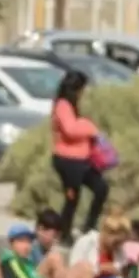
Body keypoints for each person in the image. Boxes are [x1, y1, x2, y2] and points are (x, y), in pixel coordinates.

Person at [50, 71, 109, 244]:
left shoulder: (73, 106)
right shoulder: (62, 105)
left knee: (101, 188)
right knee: (72, 198)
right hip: (68, 160)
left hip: (82, 160)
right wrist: (90, 127)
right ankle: (65, 233)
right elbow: (71, 129)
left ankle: (89, 226)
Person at [32, 207, 95, 278]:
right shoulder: (31, 246)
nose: (55, 238)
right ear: (39, 229)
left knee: (85, 266)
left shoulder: (53, 250)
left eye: (57, 235)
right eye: (52, 234)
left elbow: (60, 276)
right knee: (54, 258)